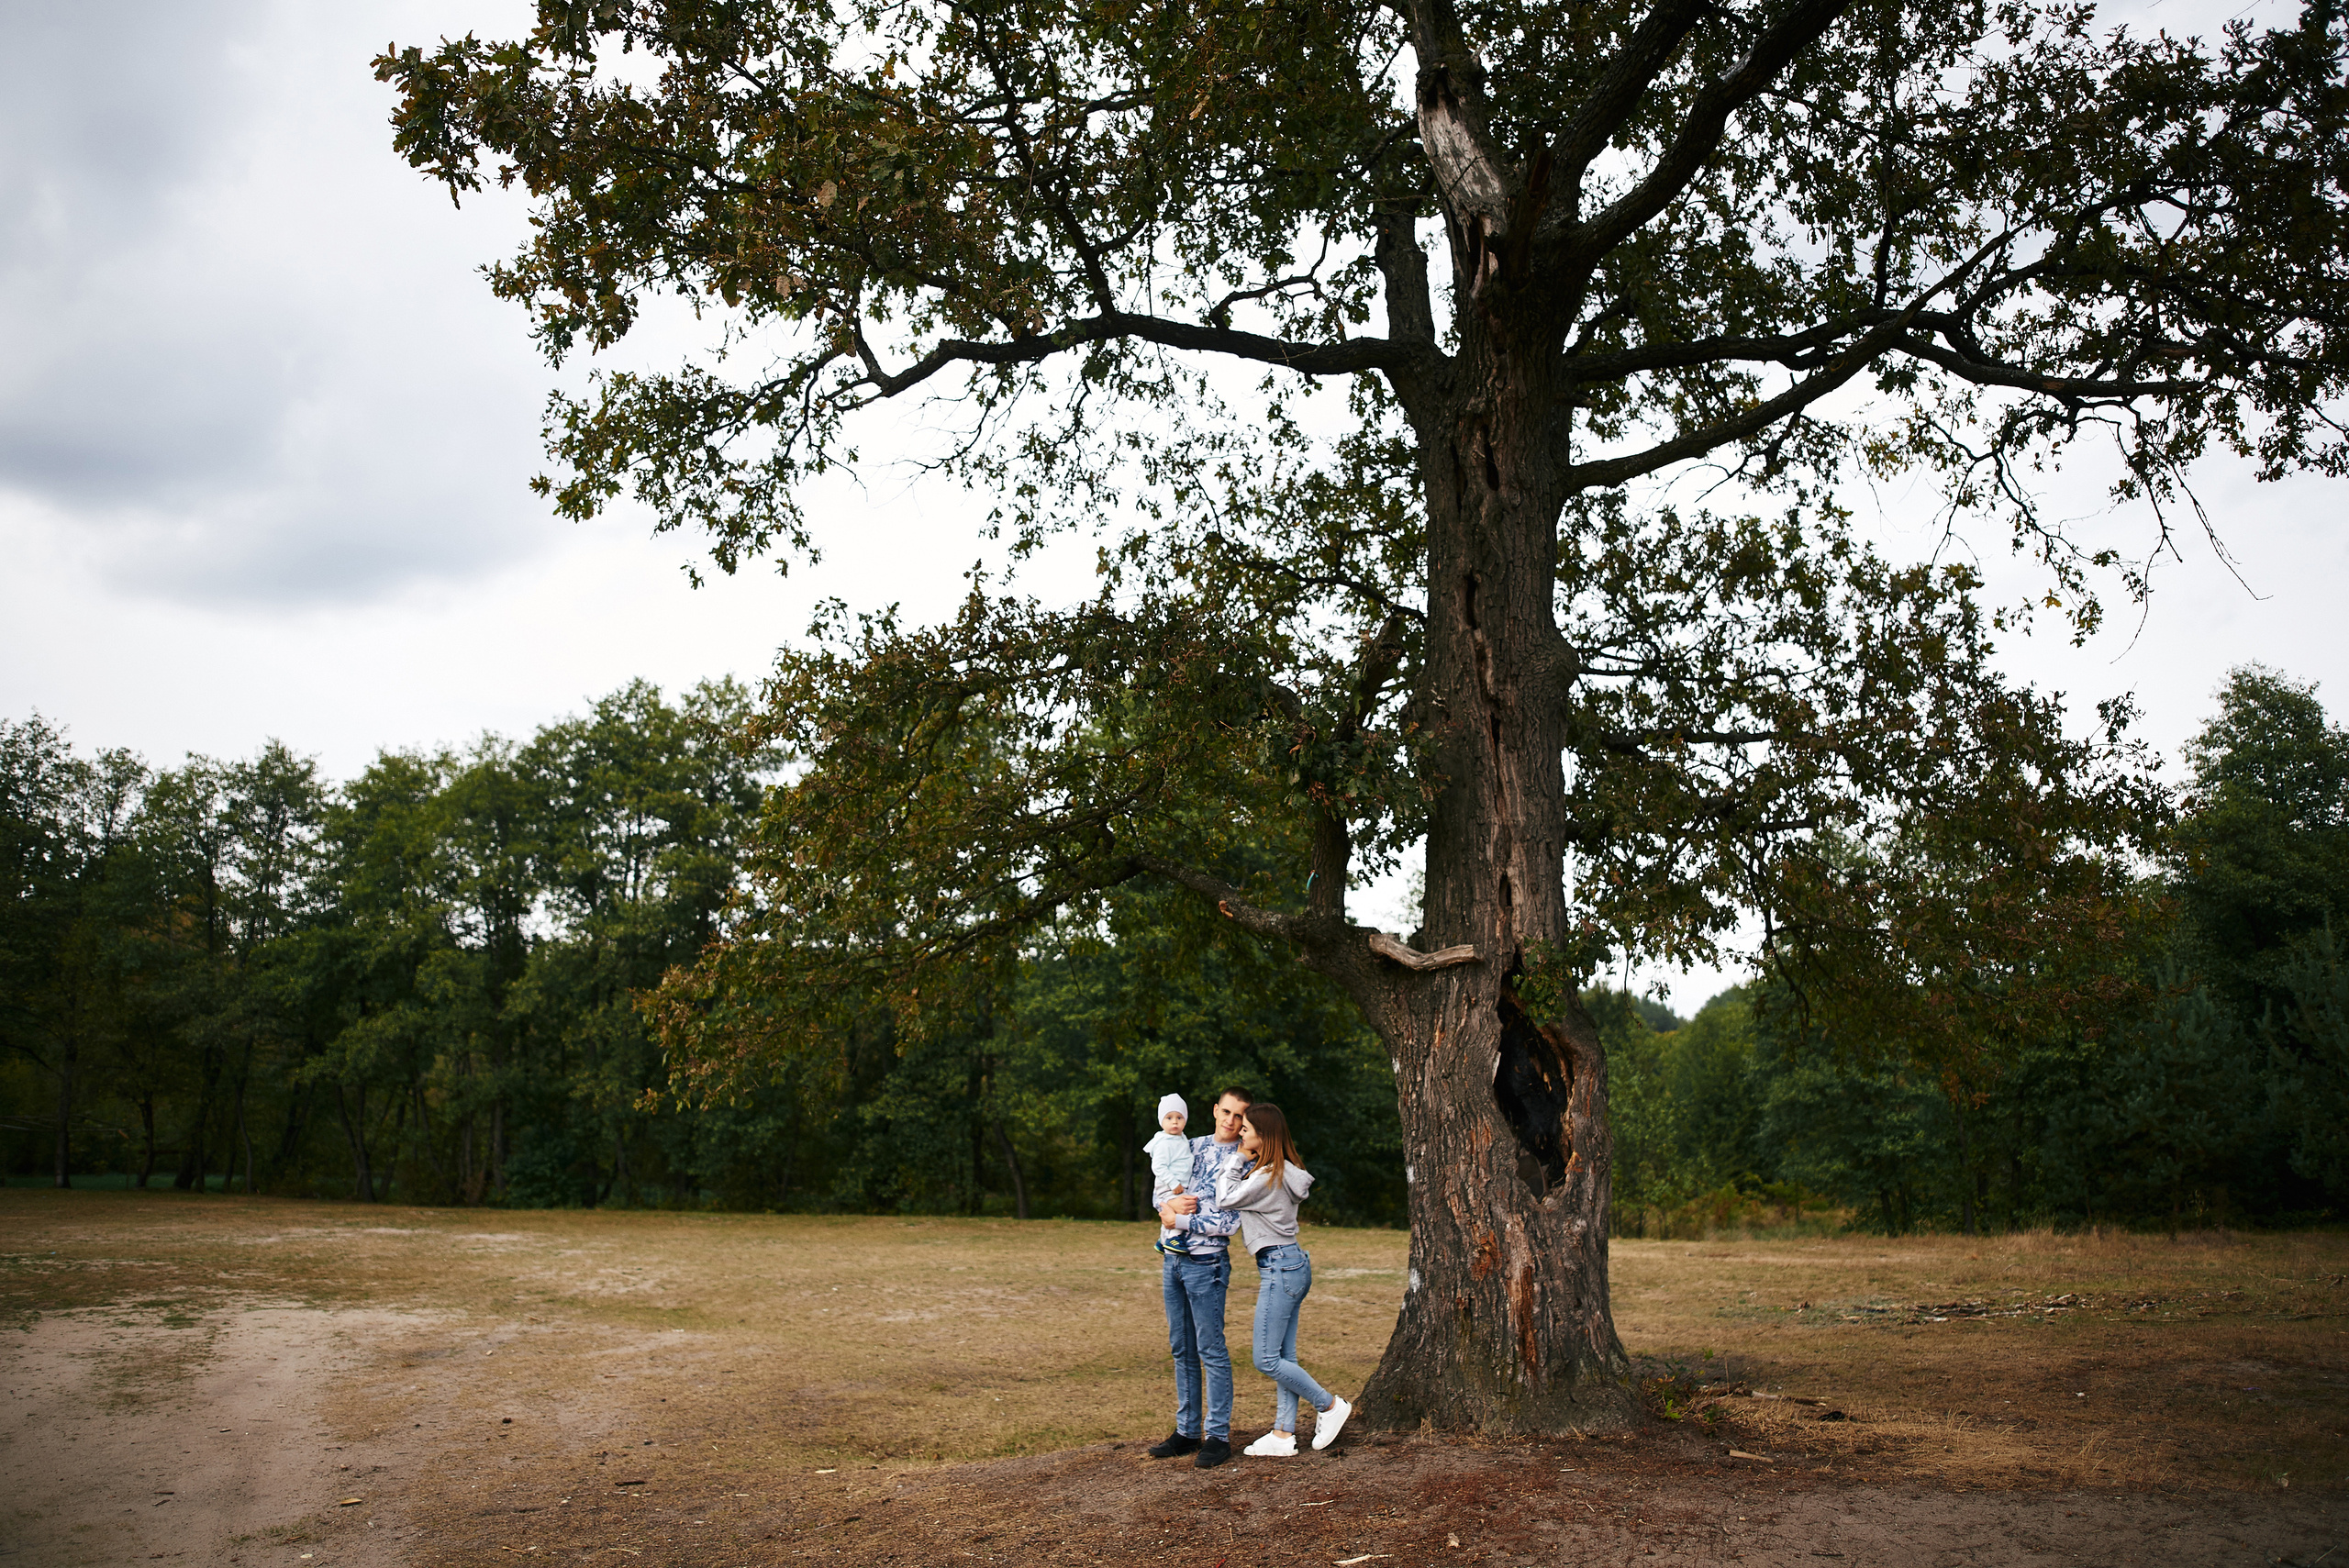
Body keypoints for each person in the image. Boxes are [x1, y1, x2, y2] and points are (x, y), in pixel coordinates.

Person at [1216, 1101, 1352, 1457]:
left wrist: (1237, 1160)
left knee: (1265, 1359)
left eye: (1246, 1129)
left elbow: (1224, 1197)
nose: (1240, 1133)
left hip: (1280, 1266)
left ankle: (1329, 1406)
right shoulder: (1281, 1171)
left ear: (1264, 1135)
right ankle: (1282, 1434)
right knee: (1283, 1355)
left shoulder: (1264, 1176)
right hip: (1291, 1263)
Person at [1146, 1085, 1253, 1470]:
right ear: (1214, 1110)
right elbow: (1161, 1186)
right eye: (1226, 1111)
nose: (1230, 1120)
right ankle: (1187, 1430)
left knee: (1211, 1349)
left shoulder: (1246, 1162)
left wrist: (1182, 1219)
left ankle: (1218, 1436)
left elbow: (1229, 1222)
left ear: (1245, 1121)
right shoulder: (1188, 1144)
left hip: (1206, 1264)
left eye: (1239, 1115)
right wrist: (1166, 1205)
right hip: (1172, 1258)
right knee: (1181, 1347)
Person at [1143, 1094, 1191, 1259]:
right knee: (1183, 1208)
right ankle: (1173, 1238)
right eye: (1169, 1117)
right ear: (1161, 1121)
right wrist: (1173, 1183)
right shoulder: (1164, 1142)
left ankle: (1162, 1240)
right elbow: (1158, 1166)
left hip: (1178, 1183)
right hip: (1169, 1185)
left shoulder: (1180, 1138)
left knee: (1176, 1208)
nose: (1175, 1122)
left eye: (1179, 1117)